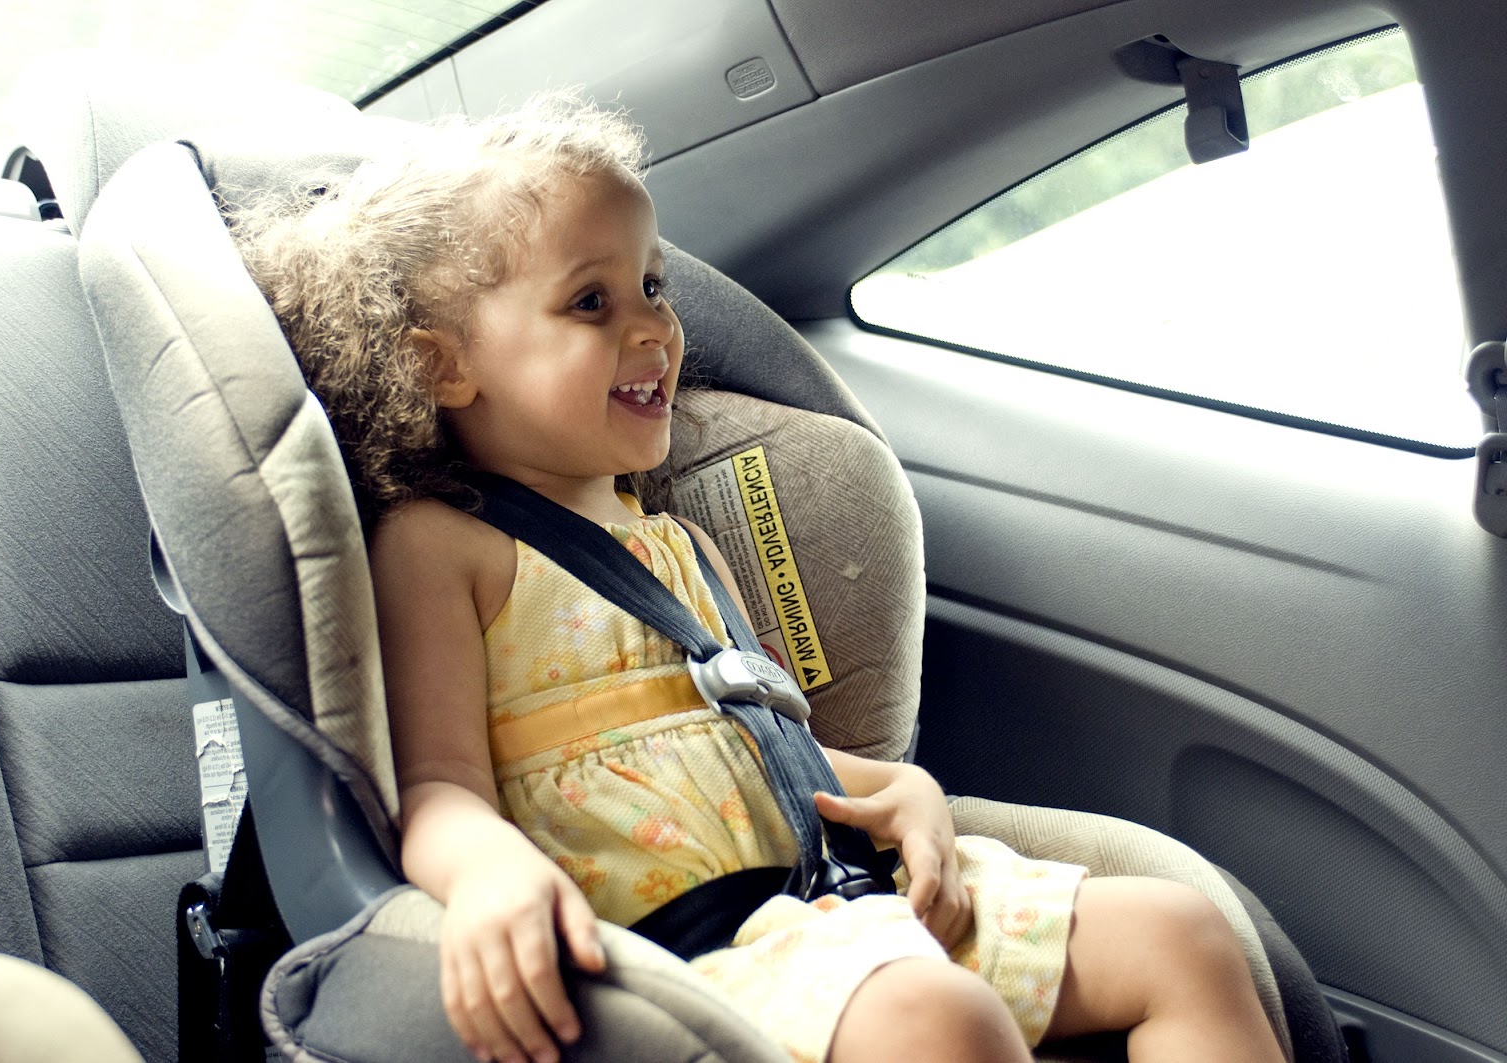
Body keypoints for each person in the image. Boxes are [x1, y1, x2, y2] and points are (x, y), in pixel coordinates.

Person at [233, 94, 1288, 1063]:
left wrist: (903, 788)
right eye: (590, 302)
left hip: (825, 900)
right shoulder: (440, 545)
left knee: (1179, 934)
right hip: (681, 956)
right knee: (940, 1018)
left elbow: (760, 744)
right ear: (439, 368)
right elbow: (437, 788)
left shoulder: (677, 543)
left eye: (651, 285)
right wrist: (487, 875)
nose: (650, 325)